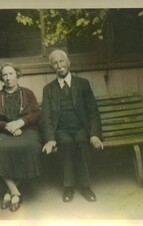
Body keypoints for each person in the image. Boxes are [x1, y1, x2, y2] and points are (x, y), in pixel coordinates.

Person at [41, 49, 104, 203]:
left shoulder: (82, 84)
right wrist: (50, 139)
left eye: (61, 61)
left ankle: (85, 186)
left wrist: (94, 134)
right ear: (52, 68)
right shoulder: (48, 89)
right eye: (55, 63)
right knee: (67, 143)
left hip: (81, 128)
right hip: (61, 130)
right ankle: (68, 186)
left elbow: (93, 112)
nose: (59, 65)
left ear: (68, 63)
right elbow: (46, 117)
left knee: (82, 141)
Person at [0, 63, 42, 212]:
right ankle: (15, 192)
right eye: (4, 75)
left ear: (17, 75)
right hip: (5, 132)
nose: (8, 78)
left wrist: (20, 122)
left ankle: (9, 192)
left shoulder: (28, 93)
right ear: (1, 78)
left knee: (30, 147)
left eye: (11, 74)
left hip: (27, 130)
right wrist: (8, 127)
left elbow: (36, 113)